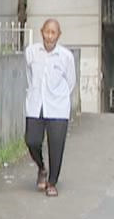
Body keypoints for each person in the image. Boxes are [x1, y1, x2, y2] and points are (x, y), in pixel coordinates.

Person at [24, 18, 77, 197]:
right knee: (32, 140)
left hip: (58, 107)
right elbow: (29, 77)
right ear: (41, 32)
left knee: (56, 146)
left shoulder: (66, 56)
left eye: (53, 33)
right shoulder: (31, 52)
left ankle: (52, 182)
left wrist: (59, 97)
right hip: (36, 104)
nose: (49, 36)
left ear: (58, 35)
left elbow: (71, 82)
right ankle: (41, 167)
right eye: (47, 32)